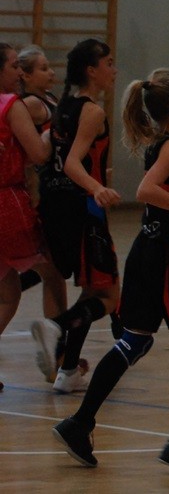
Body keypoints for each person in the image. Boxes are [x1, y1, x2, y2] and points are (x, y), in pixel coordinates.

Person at [51, 69, 169, 472]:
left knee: (134, 341)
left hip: (148, 252)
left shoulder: (161, 144)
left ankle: (80, 423)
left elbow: (166, 190)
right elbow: (146, 191)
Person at [29, 38, 121, 394]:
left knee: (87, 292)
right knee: (108, 295)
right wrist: (97, 187)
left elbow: (51, 157)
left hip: (57, 207)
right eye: (108, 63)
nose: (114, 70)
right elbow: (71, 163)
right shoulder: (92, 111)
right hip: (84, 210)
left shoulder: (62, 106)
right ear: (91, 70)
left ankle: (67, 371)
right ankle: (56, 328)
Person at [0, 43, 62, 351]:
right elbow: (38, 154)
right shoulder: (11, 104)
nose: (18, 73)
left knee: (9, 294)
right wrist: (54, 131)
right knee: (53, 271)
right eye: (13, 66)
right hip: (7, 204)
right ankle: (60, 356)